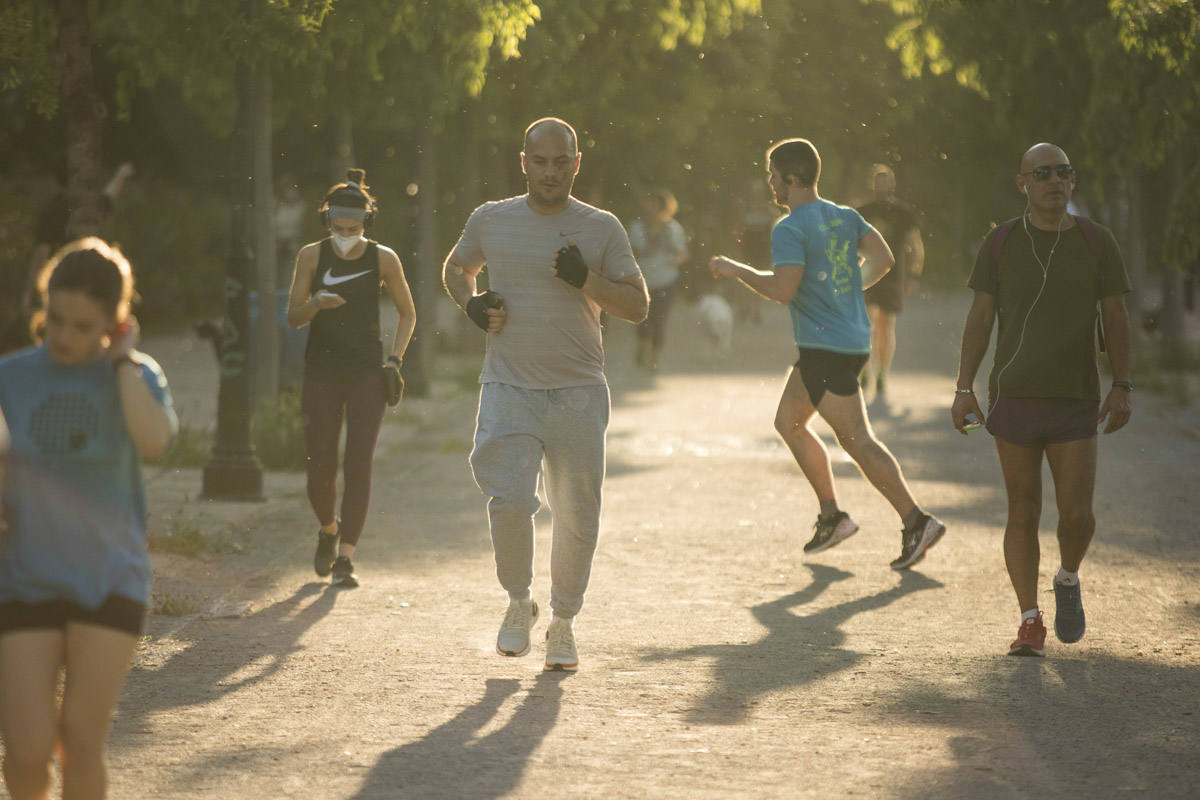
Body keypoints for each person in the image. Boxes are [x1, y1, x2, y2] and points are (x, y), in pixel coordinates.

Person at [442, 117, 648, 672]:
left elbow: (637, 305)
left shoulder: (602, 228)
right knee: (508, 499)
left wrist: (587, 280)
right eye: (541, 161)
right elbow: (456, 268)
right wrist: (471, 303)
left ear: (577, 164)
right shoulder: (492, 219)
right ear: (523, 162)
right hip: (508, 384)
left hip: (579, 391)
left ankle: (563, 621)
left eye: (562, 162)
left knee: (577, 514)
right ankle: (517, 602)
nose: (551, 171)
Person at [709, 138, 946, 570]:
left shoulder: (791, 227)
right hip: (845, 341)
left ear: (791, 178)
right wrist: (849, 287)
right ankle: (832, 515)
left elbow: (782, 290)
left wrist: (734, 269)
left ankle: (914, 520)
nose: (771, 184)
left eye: (773, 176)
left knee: (857, 440)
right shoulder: (844, 216)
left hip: (827, 346)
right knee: (790, 422)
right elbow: (885, 259)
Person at [0, 237, 176, 800]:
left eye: (83, 326)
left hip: (111, 580)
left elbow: (153, 442)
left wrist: (122, 361)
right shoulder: (10, 378)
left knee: (80, 736)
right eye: (55, 320)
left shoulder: (137, 375)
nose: (64, 337)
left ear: (115, 321)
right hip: (23, 579)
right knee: (26, 753)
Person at [951, 142, 1132, 657]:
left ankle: (1068, 577)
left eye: (1064, 172)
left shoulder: (1098, 242)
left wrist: (1122, 384)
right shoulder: (1002, 241)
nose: (1056, 181)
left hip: (1075, 397)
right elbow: (980, 319)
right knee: (1023, 510)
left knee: (1076, 515)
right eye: (1044, 173)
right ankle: (1029, 619)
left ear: (1073, 181)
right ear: (1023, 183)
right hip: (1014, 397)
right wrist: (964, 387)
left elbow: (1116, 317)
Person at [286, 169, 415, 589]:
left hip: (365, 373)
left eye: (353, 229)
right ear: (327, 222)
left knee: (358, 464)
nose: (346, 235)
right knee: (319, 468)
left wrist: (394, 360)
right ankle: (328, 529)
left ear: (366, 223)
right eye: (339, 228)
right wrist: (316, 304)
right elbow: (293, 317)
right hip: (321, 372)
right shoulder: (311, 256)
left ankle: (347, 557)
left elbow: (408, 313)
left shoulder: (383, 258)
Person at [858, 164, 925, 401]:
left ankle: (883, 373)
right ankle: (865, 369)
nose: (882, 186)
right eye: (878, 181)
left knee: (886, 325)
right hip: (865, 274)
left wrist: (914, 275)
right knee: (865, 324)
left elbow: (915, 246)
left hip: (892, 276)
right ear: (872, 184)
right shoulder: (862, 211)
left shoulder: (903, 214)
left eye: (886, 181)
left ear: (892, 184)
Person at [629, 188, 687, 371]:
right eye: (650, 204)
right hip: (642, 280)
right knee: (642, 318)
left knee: (659, 321)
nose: (652, 209)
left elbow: (683, 253)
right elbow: (628, 251)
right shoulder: (636, 228)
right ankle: (642, 345)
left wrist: (675, 260)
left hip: (666, 280)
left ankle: (654, 358)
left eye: (656, 205)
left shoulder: (673, 229)